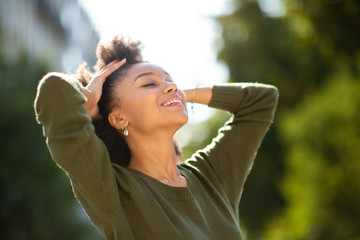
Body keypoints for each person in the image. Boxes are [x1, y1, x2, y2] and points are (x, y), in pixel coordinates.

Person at [34, 36, 278, 240]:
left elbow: (261, 100)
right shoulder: (113, 189)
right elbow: (54, 90)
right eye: (148, 84)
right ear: (119, 119)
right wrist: (88, 99)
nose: (170, 86)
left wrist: (183, 94)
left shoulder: (211, 176)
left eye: (170, 80)